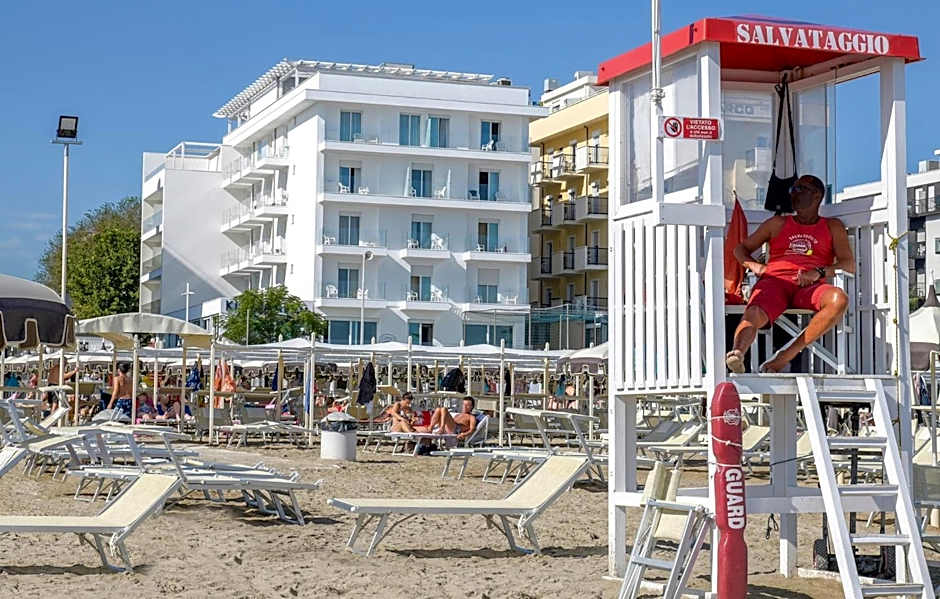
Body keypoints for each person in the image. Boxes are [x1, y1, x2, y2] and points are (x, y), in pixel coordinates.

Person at [726, 175, 855, 373]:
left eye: (799, 189)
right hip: (775, 282)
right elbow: (740, 249)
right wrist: (755, 266)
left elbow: (848, 264)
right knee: (754, 311)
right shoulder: (777, 223)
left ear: (817, 195)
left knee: (839, 299)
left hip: (809, 287)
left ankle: (785, 355)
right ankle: (737, 353)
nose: (793, 194)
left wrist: (818, 272)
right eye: (792, 190)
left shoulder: (832, 226)